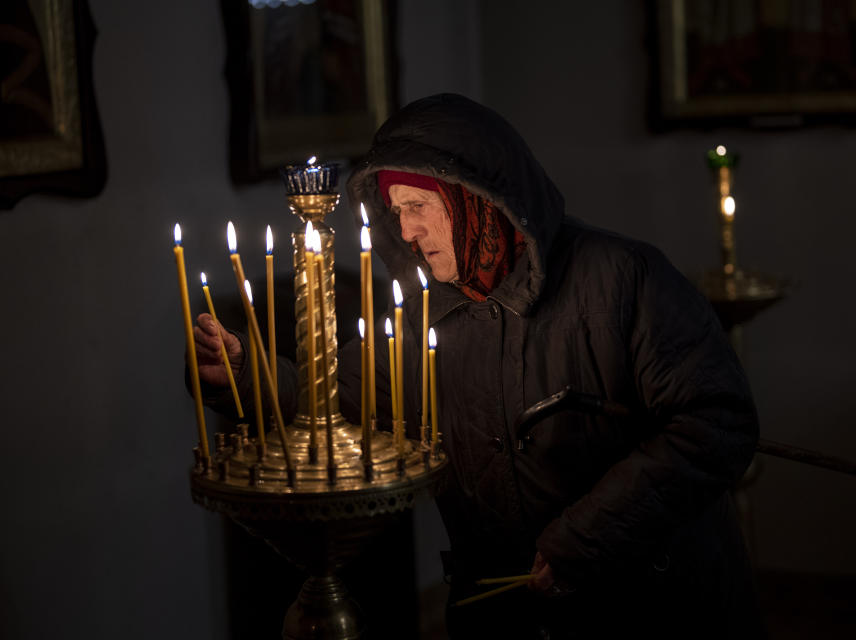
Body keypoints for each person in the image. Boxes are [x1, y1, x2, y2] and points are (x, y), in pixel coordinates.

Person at [193, 93, 763, 638]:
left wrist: (586, 538)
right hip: (506, 618)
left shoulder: (621, 279)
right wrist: (246, 374)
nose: (407, 232)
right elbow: (339, 399)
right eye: (396, 212)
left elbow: (717, 422)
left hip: (652, 612)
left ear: (477, 197)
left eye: (418, 206)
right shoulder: (424, 315)